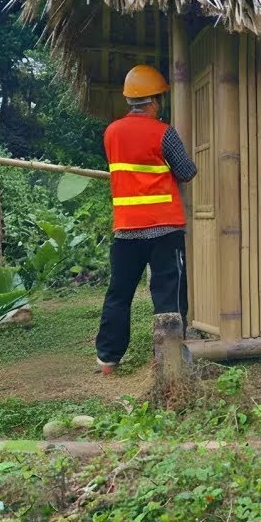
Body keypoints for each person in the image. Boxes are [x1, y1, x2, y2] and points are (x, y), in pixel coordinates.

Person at [95, 64, 198, 375]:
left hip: (126, 228)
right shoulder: (163, 132)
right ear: (154, 100)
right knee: (168, 293)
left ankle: (108, 359)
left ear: (130, 100)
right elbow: (186, 172)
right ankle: (170, 357)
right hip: (164, 227)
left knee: (119, 293)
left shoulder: (111, 132)